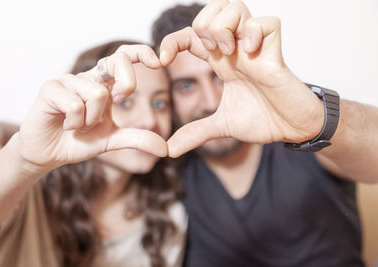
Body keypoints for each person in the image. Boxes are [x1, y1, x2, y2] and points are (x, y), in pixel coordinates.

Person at [151, 1, 378, 266]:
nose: (211, 101)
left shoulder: (299, 129)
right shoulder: (165, 177)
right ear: (168, 96)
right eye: (187, 85)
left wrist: (315, 119)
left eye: (218, 77)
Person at [0, 40, 187, 267]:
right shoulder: (26, 192)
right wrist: (25, 160)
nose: (149, 120)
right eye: (125, 102)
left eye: (159, 104)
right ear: (83, 102)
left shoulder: (169, 218)